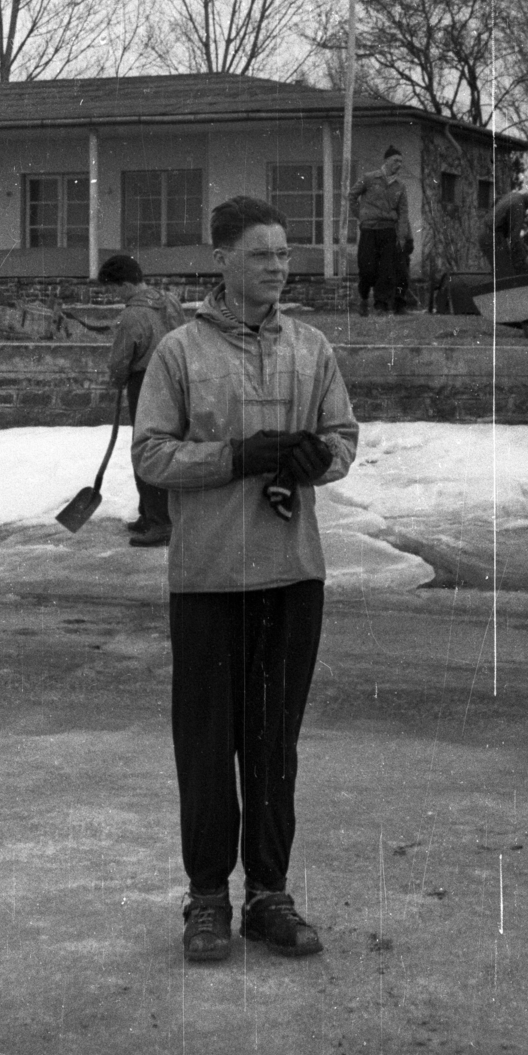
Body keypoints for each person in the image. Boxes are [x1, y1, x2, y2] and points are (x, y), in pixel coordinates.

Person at [131, 196, 358, 963]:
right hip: (206, 579)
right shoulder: (179, 353)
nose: (277, 267)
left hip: (291, 576)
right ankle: (205, 900)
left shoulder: (312, 349)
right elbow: (151, 457)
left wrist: (314, 459)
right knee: (205, 745)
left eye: (284, 255)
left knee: (273, 746)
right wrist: (236, 458)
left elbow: (344, 437)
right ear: (221, 258)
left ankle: (269, 895)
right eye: (261, 254)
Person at [99, 253, 186, 547]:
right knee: (168, 445)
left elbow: (120, 359)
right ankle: (150, 514)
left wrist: (117, 378)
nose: (112, 295)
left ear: (124, 285)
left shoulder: (131, 316)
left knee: (146, 449)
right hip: (176, 380)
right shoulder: (170, 301)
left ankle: (160, 522)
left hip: (145, 382)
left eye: (112, 289)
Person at [349, 145, 412, 315]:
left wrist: (401, 236)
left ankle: (381, 305)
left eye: (400, 161)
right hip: (369, 230)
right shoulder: (369, 178)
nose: (398, 164)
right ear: (386, 161)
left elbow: (403, 212)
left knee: (386, 271)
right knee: (367, 268)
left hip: (388, 231)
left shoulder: (400, 185)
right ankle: (363, 298)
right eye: (395, 160)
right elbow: (352, 195)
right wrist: (361, 216)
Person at [475, 183, 528, 279]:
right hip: (491, 237)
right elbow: (514, 237)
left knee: (502, 270)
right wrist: (524, 257)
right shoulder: (519, 205)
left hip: (489, 233)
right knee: (506, 275)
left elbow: (497, 200)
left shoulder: (514, 195)